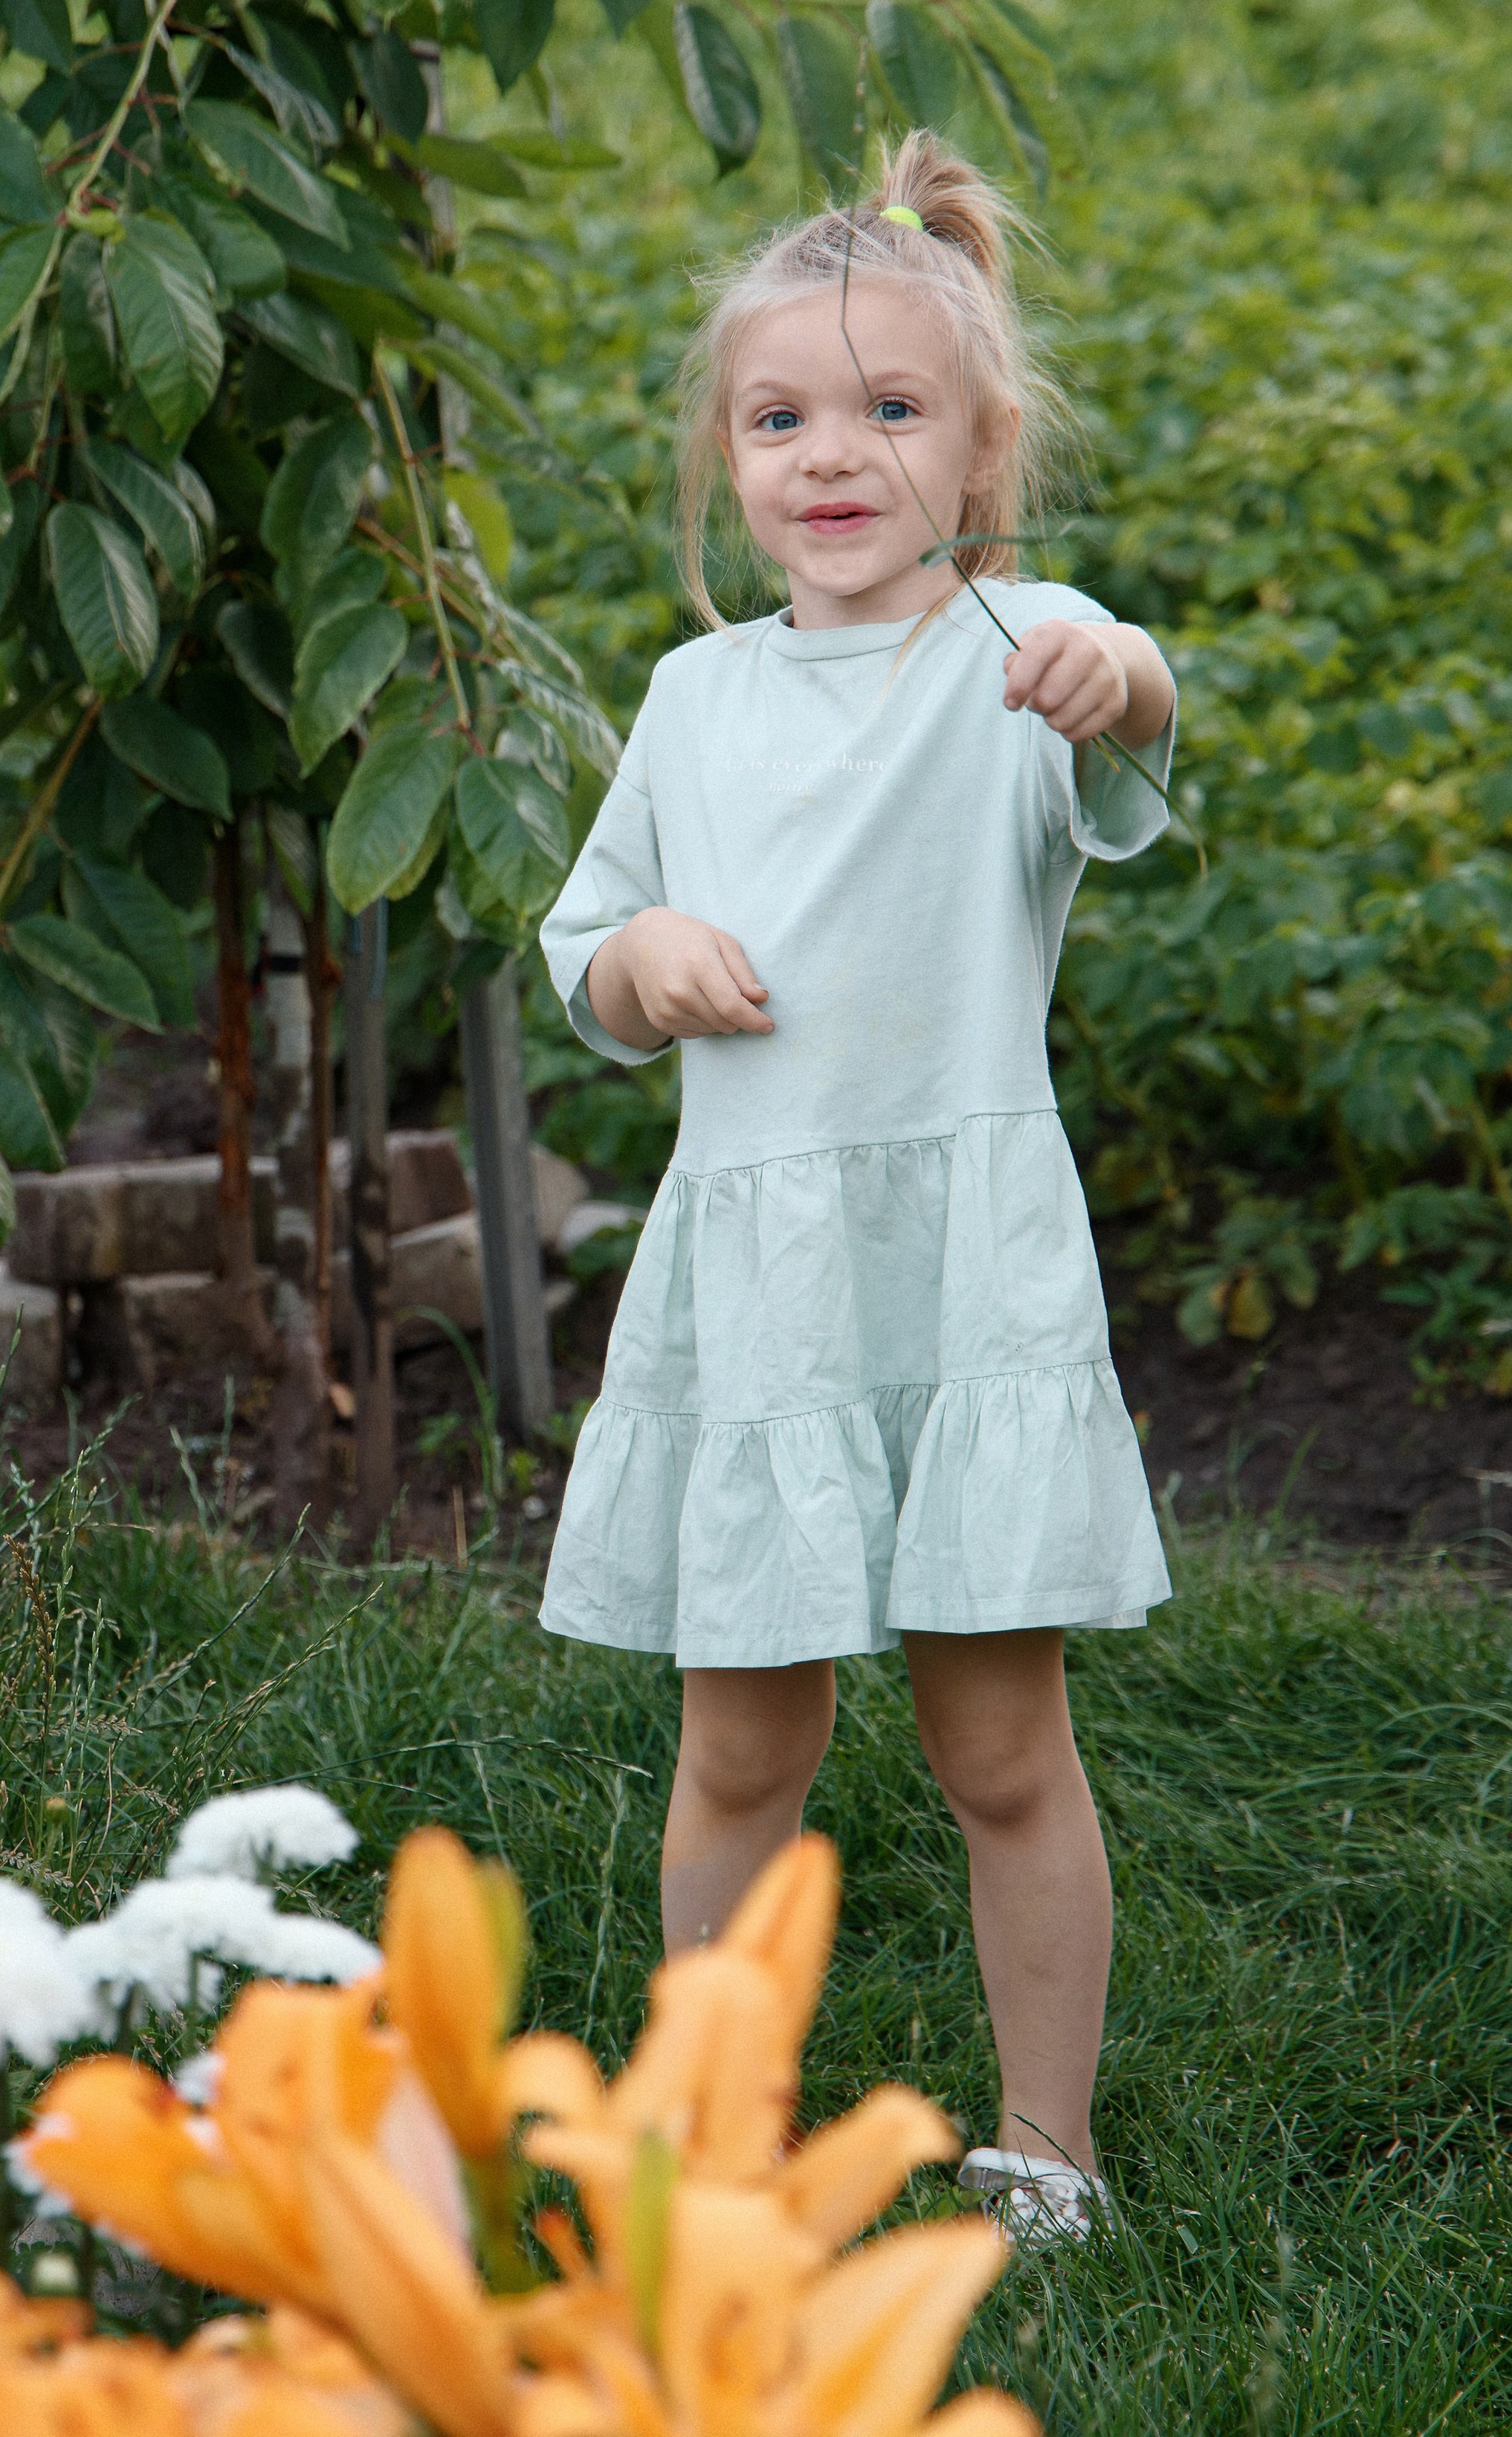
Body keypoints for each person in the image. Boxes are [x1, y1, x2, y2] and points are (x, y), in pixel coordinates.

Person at [537, 129, 1177, 2245]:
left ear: (982, 461)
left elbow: (1125, 728)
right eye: (784, 415)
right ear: (732, 454)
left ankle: (1048, 2143)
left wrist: (1124, 679)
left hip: (961, 1283)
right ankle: (717, 2129)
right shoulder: (693, 700)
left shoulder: (1022, 651)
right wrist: (642, 960)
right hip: (774, 1293)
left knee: (1003, 1746)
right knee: (743, 1752)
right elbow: (590, 944)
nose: (835, 453)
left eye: (893, 411)